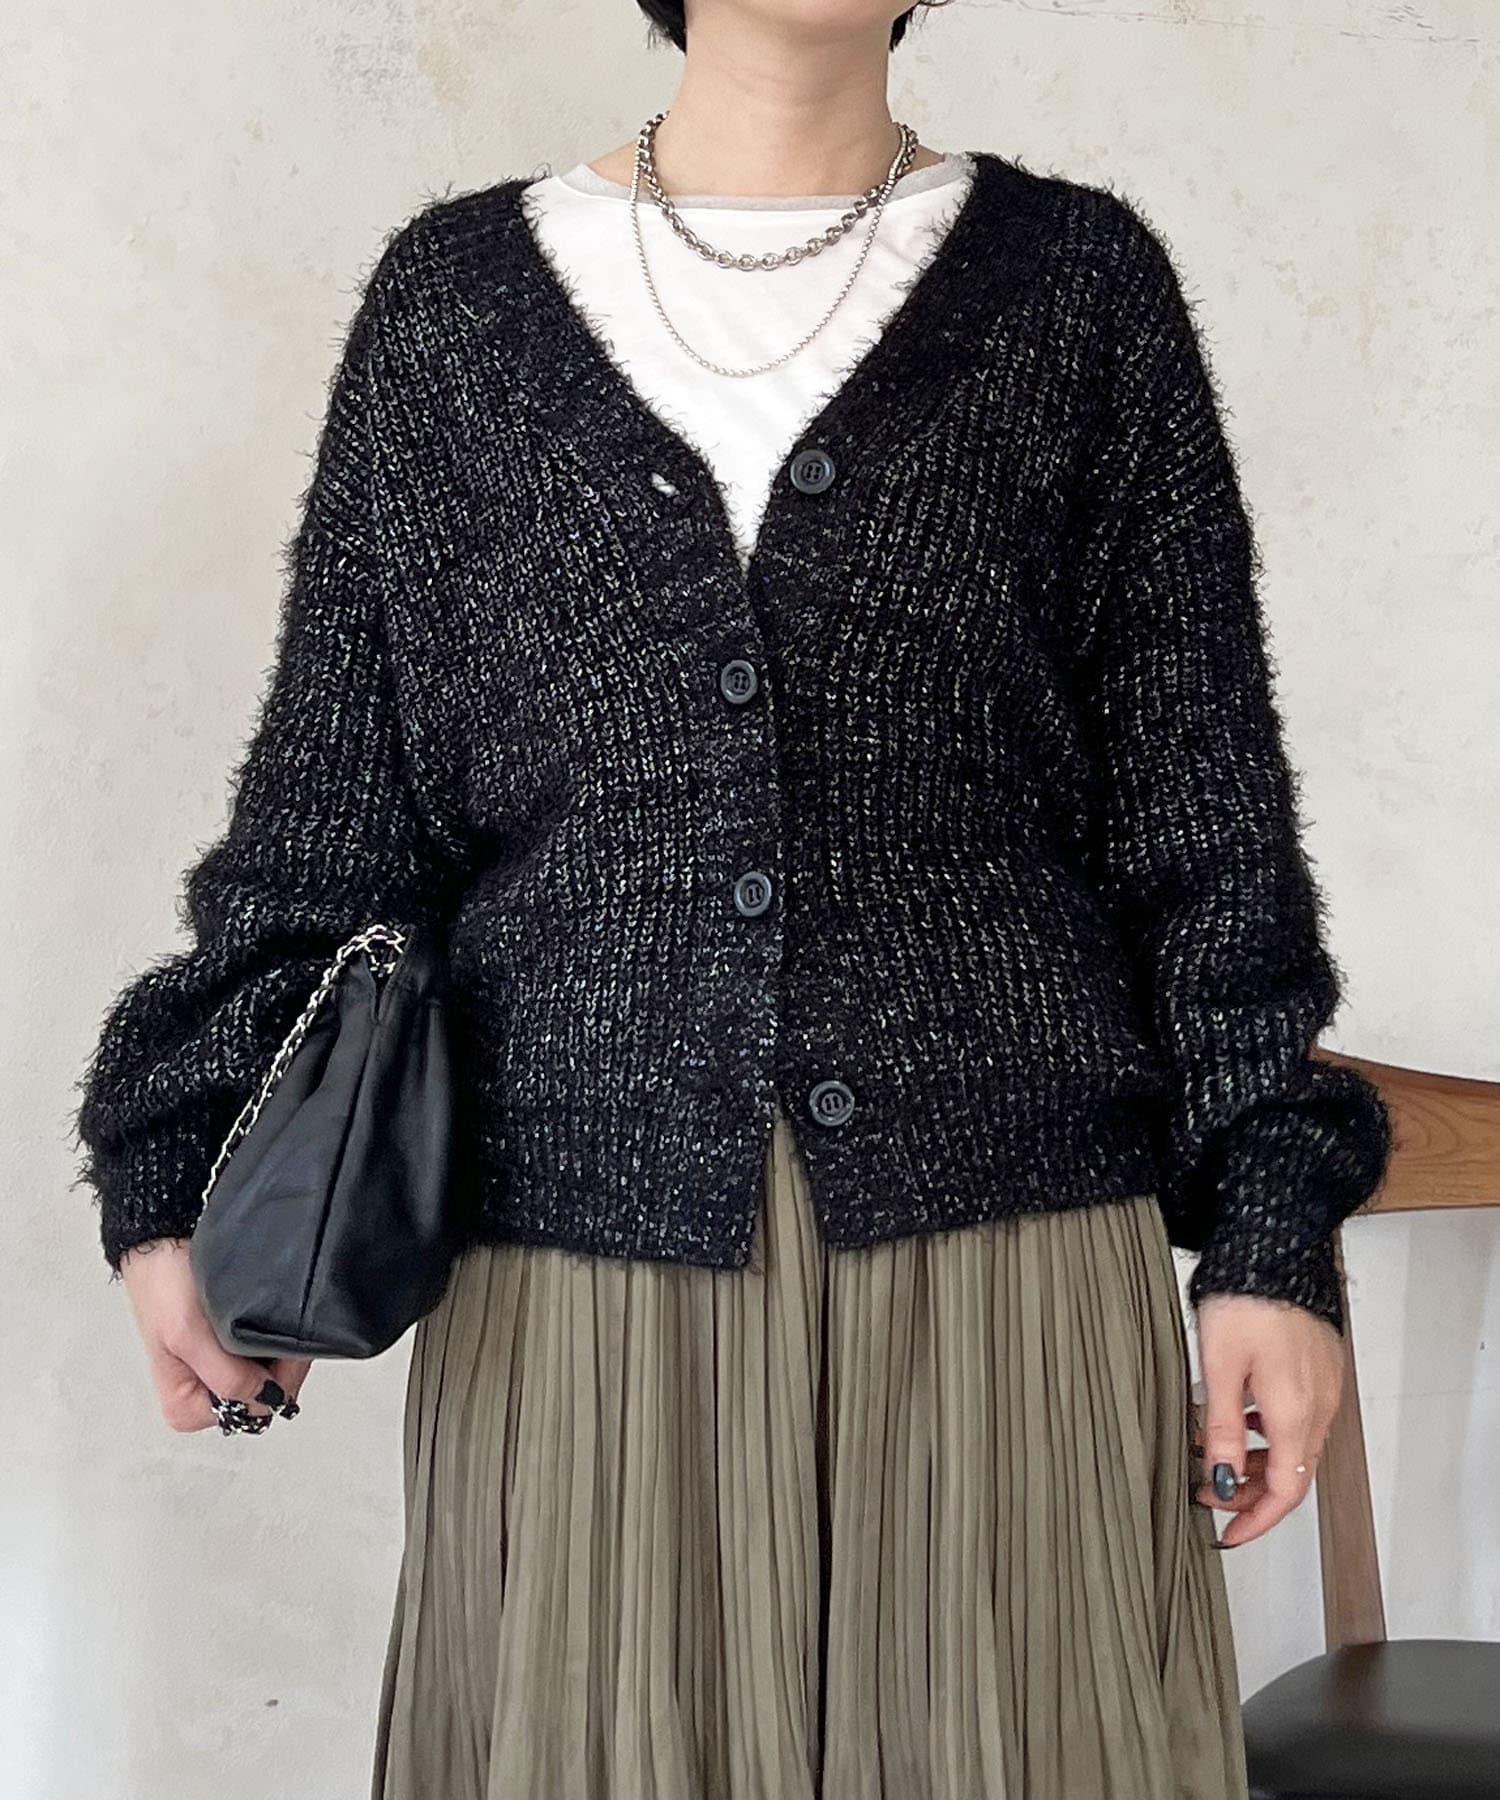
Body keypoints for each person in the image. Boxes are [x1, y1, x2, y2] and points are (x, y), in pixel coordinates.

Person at [71, 1, 1394, 1795]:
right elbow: (333, 824)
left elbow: (1204, 825)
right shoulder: (449, 316)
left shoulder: (1083, 297)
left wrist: (1270, 1243)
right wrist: (177, 1172)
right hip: (583, 1297)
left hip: (1005, 1278)